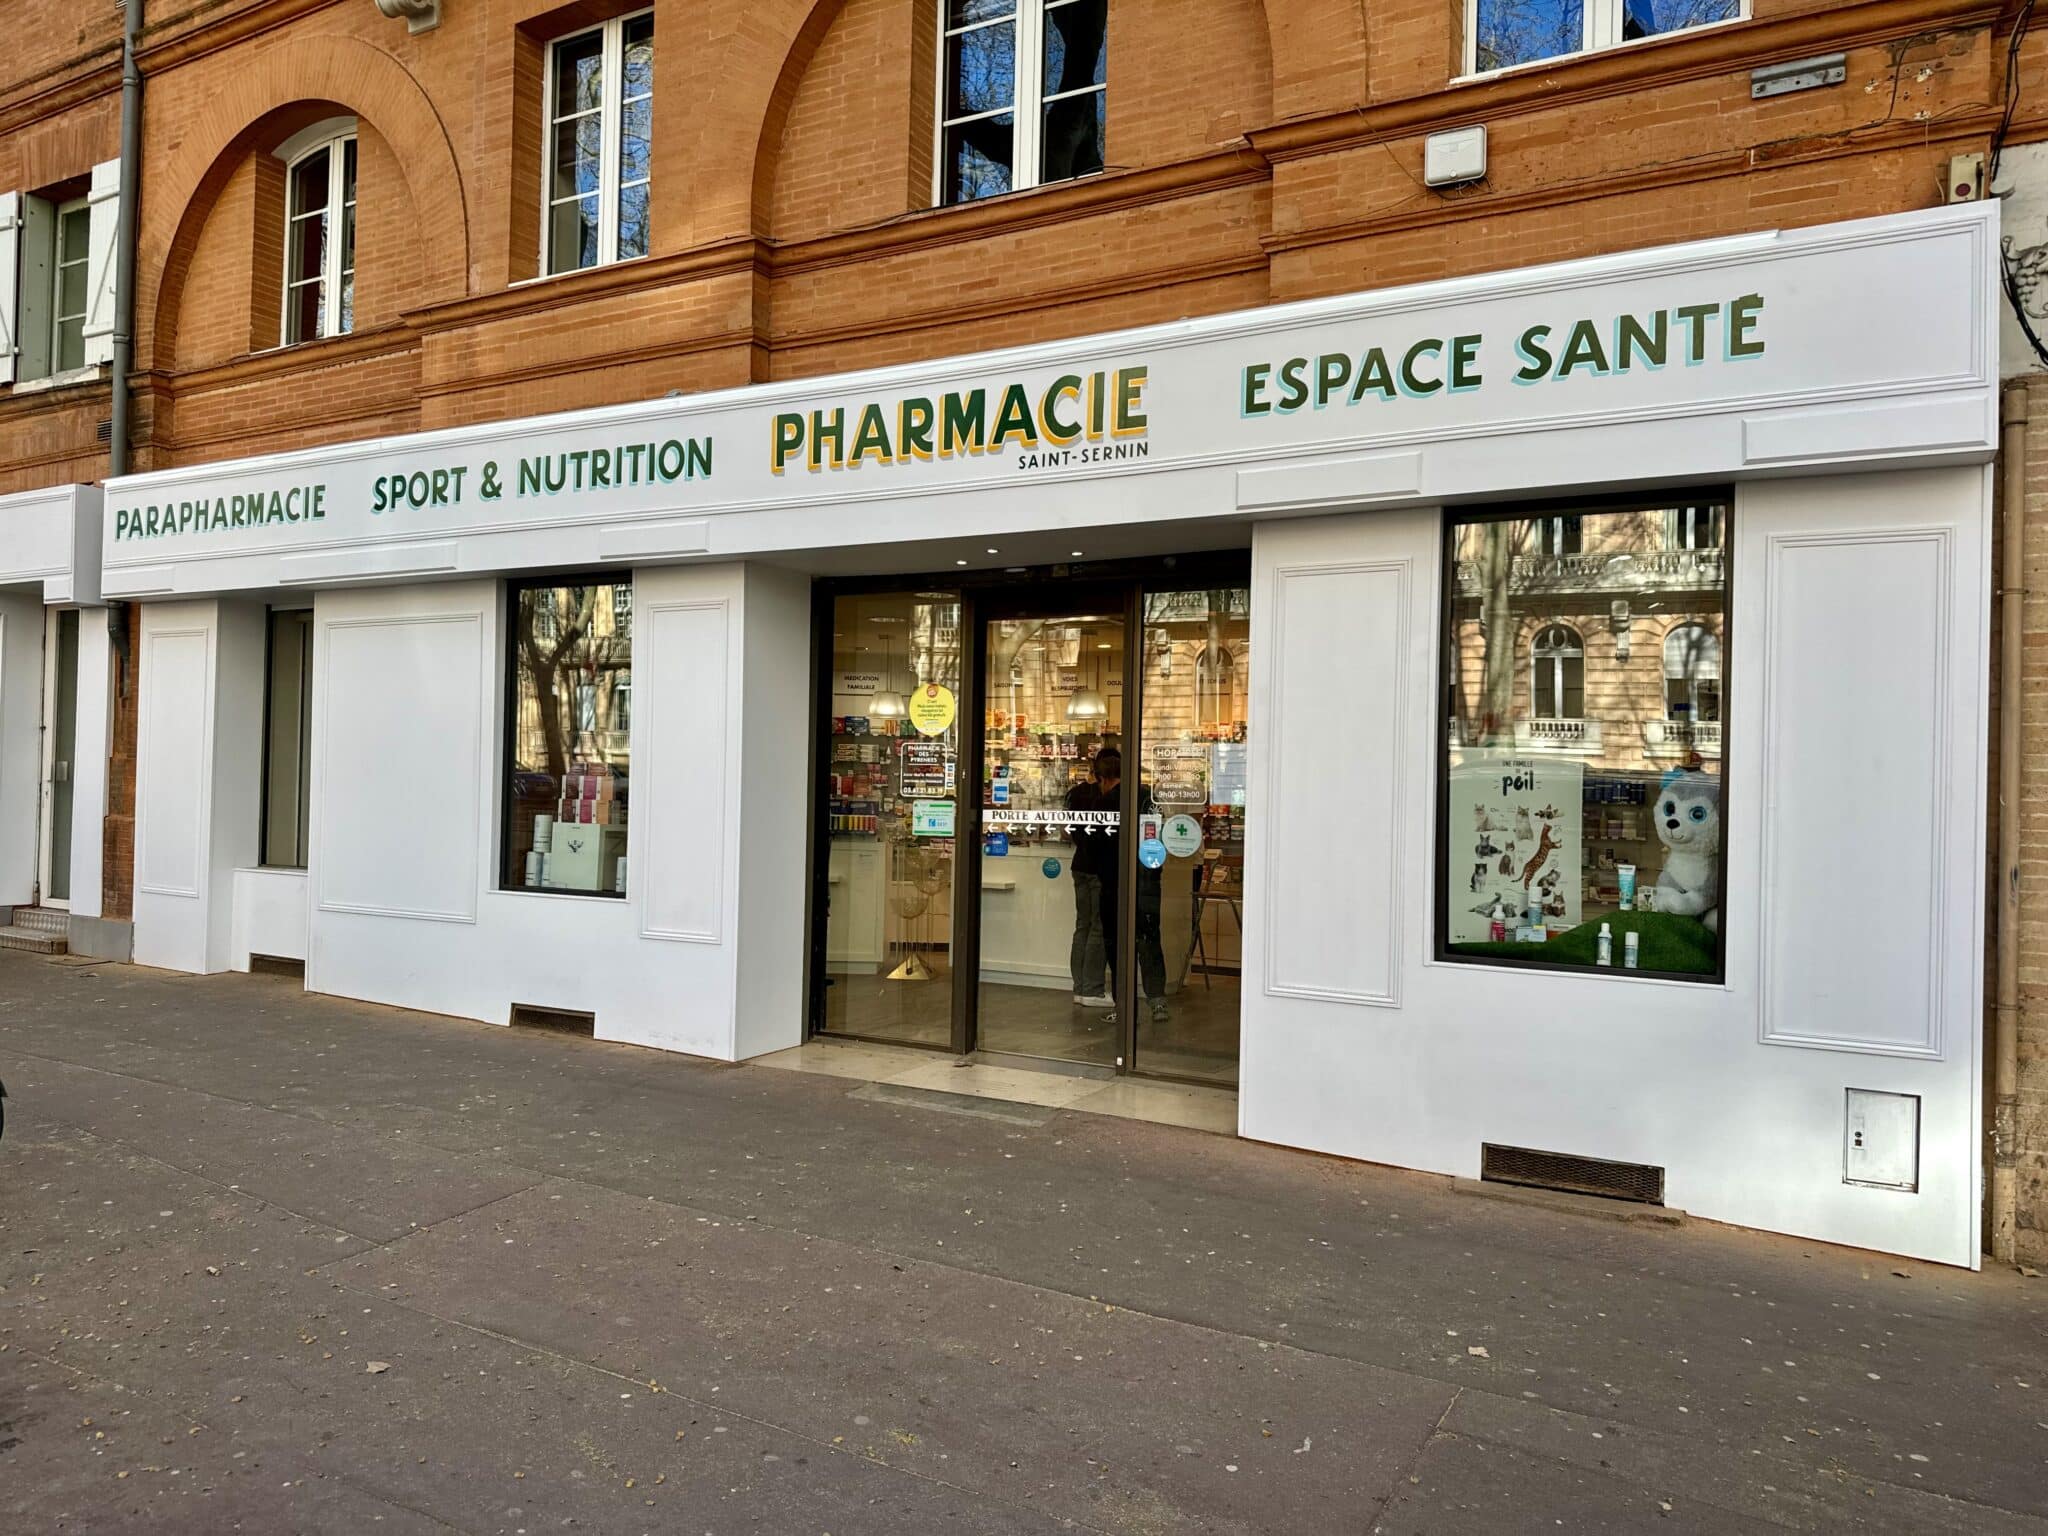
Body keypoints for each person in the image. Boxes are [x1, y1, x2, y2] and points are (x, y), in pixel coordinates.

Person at [1090, 748, 1170, 1024]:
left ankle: (1123, 1006)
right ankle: (1158, 1001)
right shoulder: (1148, 796)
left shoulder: (1105, 804)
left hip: (1115, 883)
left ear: (1103, 778)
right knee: (1149, 939)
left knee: (1116, 944)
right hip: (1148, 879)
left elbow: (1095, 848)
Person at [1066, 755, 1112, 1007]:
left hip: (1079, 864)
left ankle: (1080, 988)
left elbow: (1070, 830)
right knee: (1098, 926)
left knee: (1082, 925)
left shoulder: (1075, 794)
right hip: (1097, 868)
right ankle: (1093, 990)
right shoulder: (1105, 797)